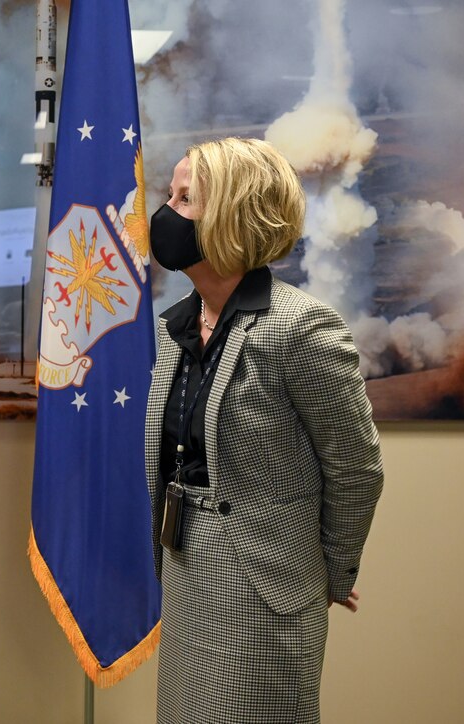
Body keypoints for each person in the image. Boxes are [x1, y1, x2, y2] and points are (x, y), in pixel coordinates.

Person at [144, 137, 383, 723]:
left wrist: (330, 569)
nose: (164, 213)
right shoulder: (174, 328)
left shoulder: (301, 328)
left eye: (185, 199)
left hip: (264, 585)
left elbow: (355, 469)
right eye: (170, 195)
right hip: (185, 566)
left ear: (231, 216)